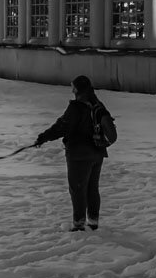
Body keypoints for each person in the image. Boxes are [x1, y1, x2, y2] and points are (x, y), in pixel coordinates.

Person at [34, 75, 113, 232]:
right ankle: (93, 220)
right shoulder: (97, 104)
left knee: (77, 189)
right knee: (92, 187)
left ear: (77, 89)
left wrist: (43, 137)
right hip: (97, 153)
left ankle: (78, 224)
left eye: (73, 87)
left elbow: (61, 127)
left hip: (79, 155)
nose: (72, 90)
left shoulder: (76, 108)